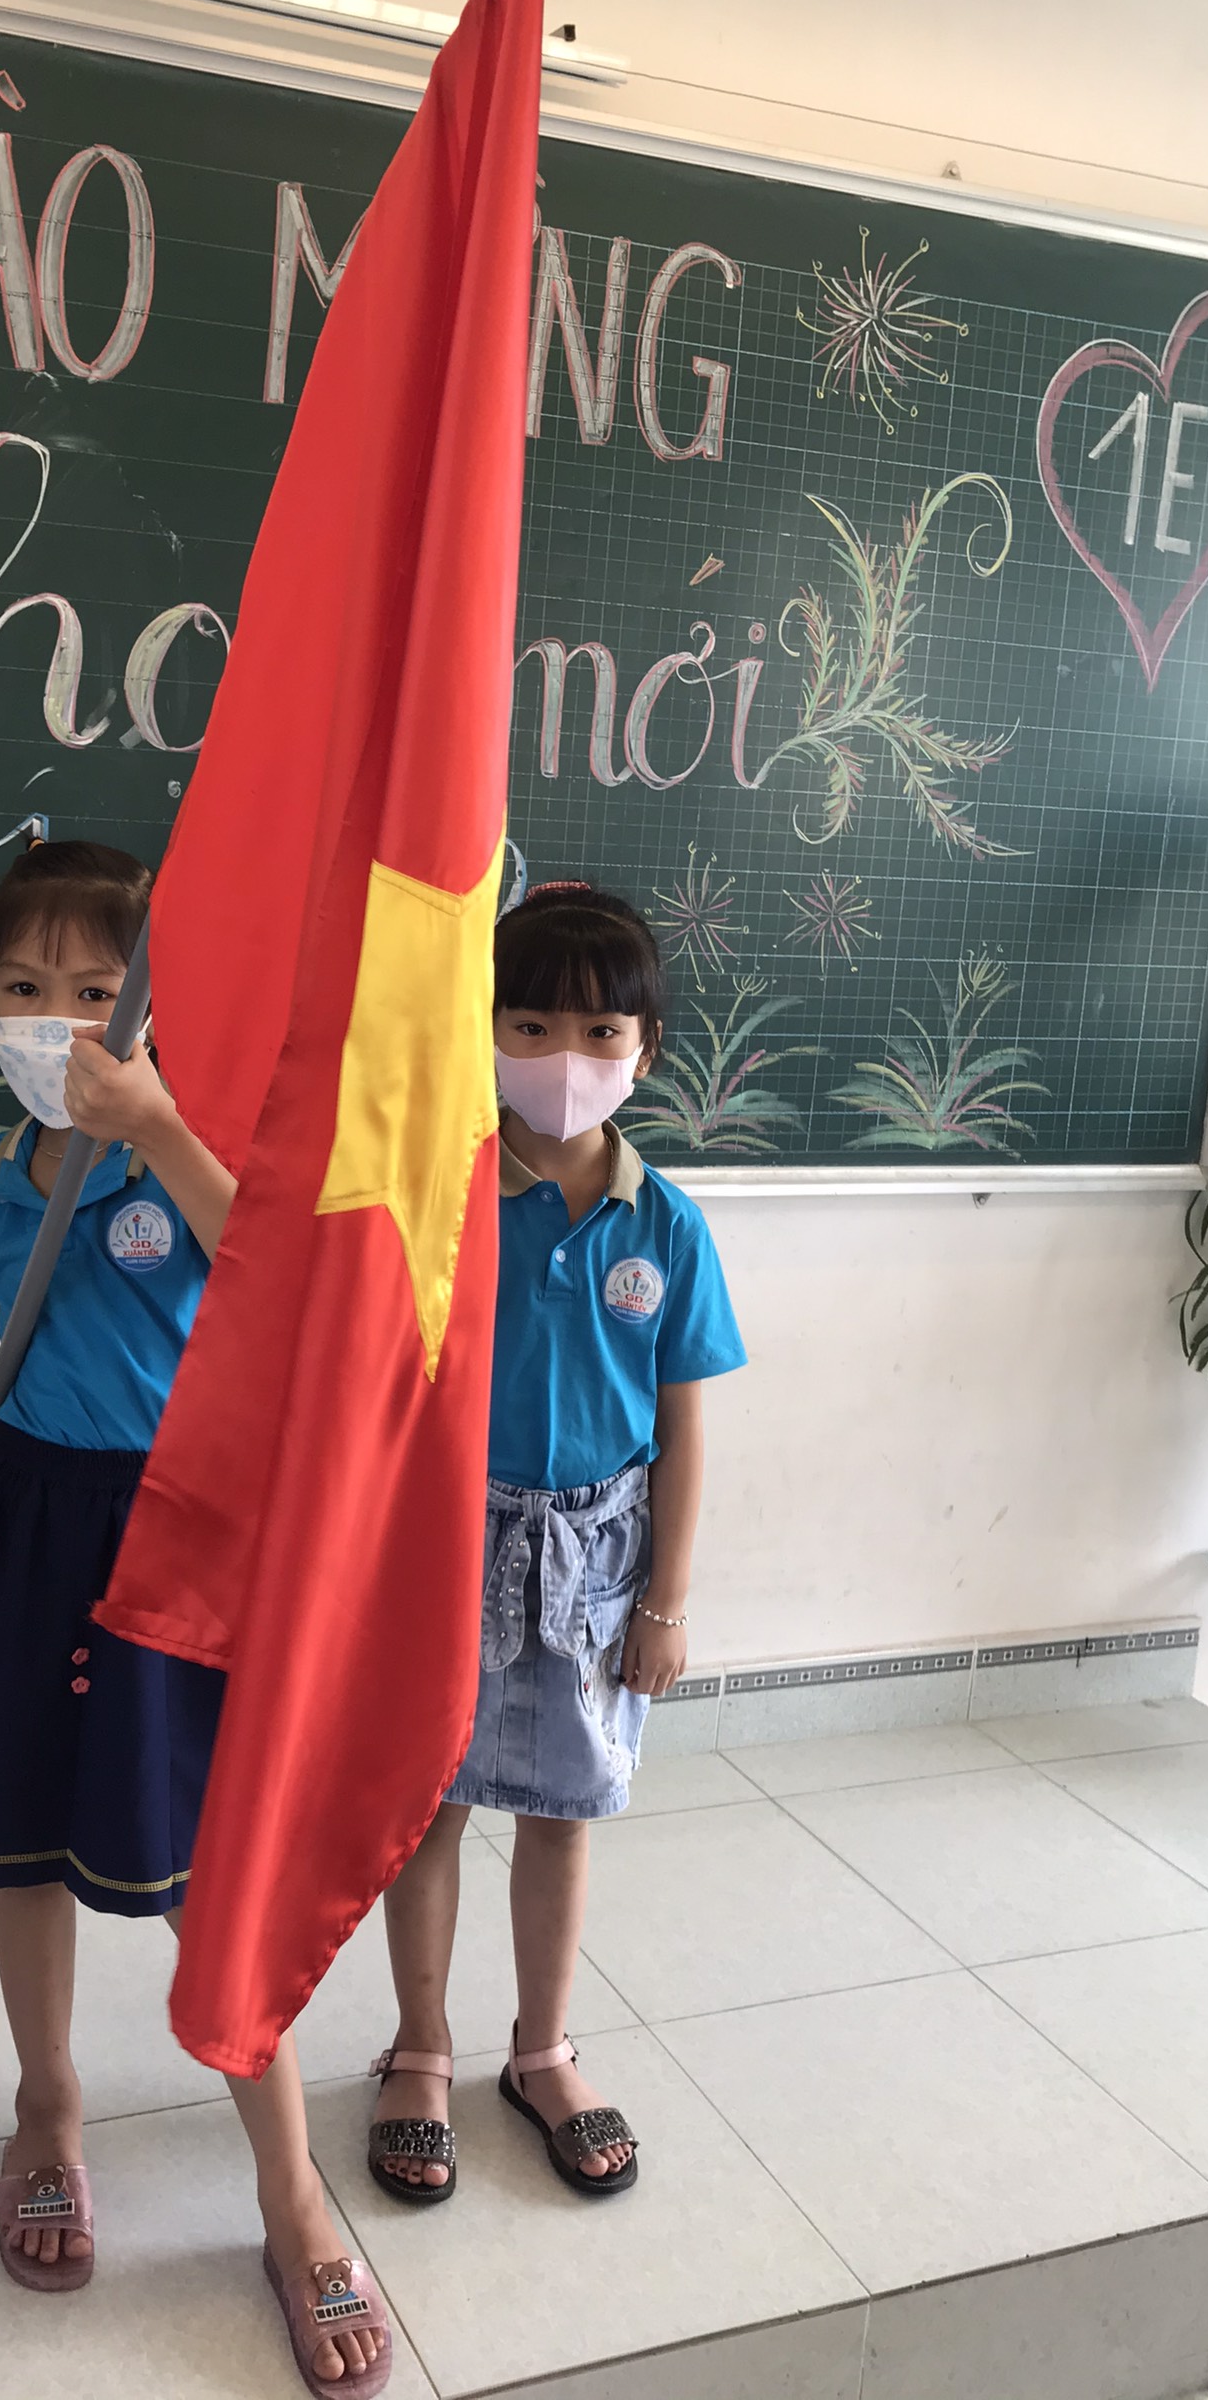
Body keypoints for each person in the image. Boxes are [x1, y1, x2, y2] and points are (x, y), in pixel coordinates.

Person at [0, 839, 390, 2394]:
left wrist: (157, 1122)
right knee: (24, 1836)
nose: (60, 1021)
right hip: (25, 1519)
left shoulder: (187, 1150)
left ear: (154, 1012)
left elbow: (276, 1284)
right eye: (24, 988)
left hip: (178, 1536)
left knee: (205, 1867)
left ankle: (289, 2190)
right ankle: (47, 2107)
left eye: (98, 992)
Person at [368, 882, 744, 2205]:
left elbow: (682, 1427)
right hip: (445, 1544)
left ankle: (541, 2051)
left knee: (564, 1812)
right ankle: (420, 2048)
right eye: (528, 1026)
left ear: (647, 1047)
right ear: (483, 1028)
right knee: (431, 1802)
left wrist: (666, 1602)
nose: (564, 1060)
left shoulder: (666, 1225)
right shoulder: (438, 1193)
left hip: (600, 1562)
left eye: (598, 1033)